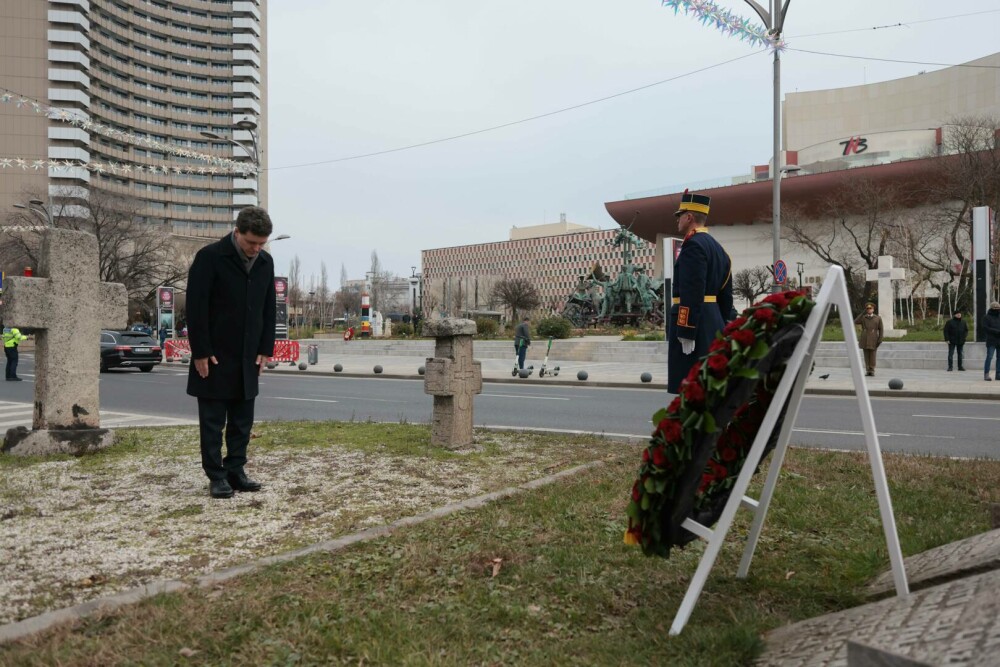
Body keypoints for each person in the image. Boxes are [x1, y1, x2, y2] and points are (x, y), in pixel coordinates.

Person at [186, 206, 276, 499]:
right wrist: (200, 351)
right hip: (214, 355)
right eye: (251, 242)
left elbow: (268, 308)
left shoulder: (265, 262)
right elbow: (196, 307)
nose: (256, 249)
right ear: (237, 232)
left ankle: (236, 469)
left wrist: (265, 348)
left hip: (248, 355)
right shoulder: (210, 257)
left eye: (261, 244)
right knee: (213, 421)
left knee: (242, 420)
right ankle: (216, 476)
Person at [667, 192, 734, 394]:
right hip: (712, 321)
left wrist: (686, 330)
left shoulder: (693, 245)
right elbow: (726, 295)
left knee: (691, 387)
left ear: (689, 217)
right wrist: (723, 325)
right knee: (708, 385)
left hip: (695, 323)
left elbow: (691, 290)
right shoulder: (719, 249)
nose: (677, 219)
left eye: (680, 215)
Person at [854, 302, 883, 377]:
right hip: (865, 338)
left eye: (870, 308)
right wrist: (862, 313)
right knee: (866, 355)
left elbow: (881, 329)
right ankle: (867, 370)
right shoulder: (864, 317)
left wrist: (880, 339)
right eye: (867, 309)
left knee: (872, 355)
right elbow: (855, 321)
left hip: (873, 338)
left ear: (873, 309)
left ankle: (872, 370)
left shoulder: (878, 318)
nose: (869, 310)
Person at [983, 301, 1000, 382]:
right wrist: (997, 332)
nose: (998, 310)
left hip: (999, 341)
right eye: (996, 308)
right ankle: (986, 374)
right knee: (989, 357)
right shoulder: (986, 317)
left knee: (999, 358)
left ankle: (998, 374)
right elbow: (986, 328)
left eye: (999, 308)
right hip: (991, 341)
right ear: (992, 308)